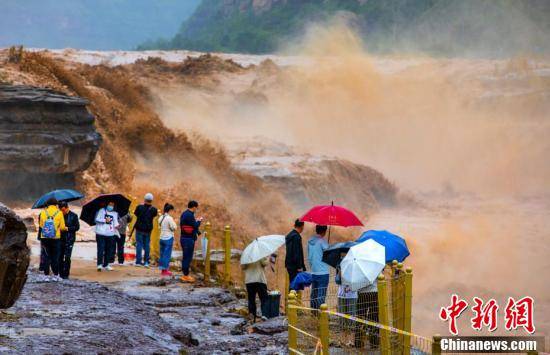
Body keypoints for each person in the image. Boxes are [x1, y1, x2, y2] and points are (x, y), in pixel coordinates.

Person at [38, 197, 66, 281]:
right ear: (56, 204)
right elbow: (62, 227)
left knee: (46, 256)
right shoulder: (59, 212)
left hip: (45, 238)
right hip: (55, 238)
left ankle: (46, 276)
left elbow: (41, 225)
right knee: (55, 257)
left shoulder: (43, 212)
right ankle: (55, 275)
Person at [179, 200, 202, 282]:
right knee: (187, 257)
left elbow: (189, 226)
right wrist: (199, 221)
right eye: (196, 208)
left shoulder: (184, 213)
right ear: (194, 207)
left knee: (186, 256)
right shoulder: (189, 215)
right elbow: (195, 225)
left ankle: (185, 274)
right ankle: (186, 275)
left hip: (184, 238)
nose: (196, 209)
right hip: (188, 239)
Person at [307, 225, 330, 309]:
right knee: (321, 295)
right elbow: (329, 253)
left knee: (314, 295)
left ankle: (313, 314)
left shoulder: (309, 241)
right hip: (323, 272)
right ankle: (321, 316)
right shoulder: (322, 241)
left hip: (313, 271)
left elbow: (309, 257)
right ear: (324, 231)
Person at [133, 193, 158, 268]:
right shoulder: (154, 209)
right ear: (152, 200)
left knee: (139, 244)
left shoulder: (139, 207)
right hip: (148, 229)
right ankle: (146, 262)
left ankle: (138, 262)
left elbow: (136, 214)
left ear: (144, 199)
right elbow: (154, 216)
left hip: (139, 228)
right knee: (147, 245)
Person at [355, 280, 380, 349]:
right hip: (374, 292)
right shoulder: (376, 269)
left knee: (360, 318)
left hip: (362, 293)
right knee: (374, 318)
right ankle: (374, 343)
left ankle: (358, 342)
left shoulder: (358, 269)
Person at [58, 201, 80, 279]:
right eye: (60, 210)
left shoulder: (74, 216)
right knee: (60, 257)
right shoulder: (58, 215)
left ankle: (66, 274)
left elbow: (77, 227)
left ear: (67, 208)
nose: (62, 212)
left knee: (67, 257)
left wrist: (68, 228)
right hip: (60, 239)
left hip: (69, 239)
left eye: (63, 210)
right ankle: (60, 273)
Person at [242, 258, 269, 322]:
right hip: (259, 279)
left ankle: (252, 315)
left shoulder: (247, 255)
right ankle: (264, 315)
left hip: (249, 280)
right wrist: (267, 258)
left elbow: (243, 267)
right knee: (264, 298)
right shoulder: (260, 254)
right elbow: (264, 263)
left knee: (251, 299)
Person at [95, 201, 119, 271]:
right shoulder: (102, 211)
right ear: (107, 204)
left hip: (110, 234)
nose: (111, 206)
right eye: (110, 204)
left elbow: (116, 223)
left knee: (108, 250)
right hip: (100, 233)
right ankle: (99, 265)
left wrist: (118, 226)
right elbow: (97, 220)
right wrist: (105, 220)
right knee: (101, 249)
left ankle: (106, 264)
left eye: (112, 205)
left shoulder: (115, 213)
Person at [336, 263, 358, 330]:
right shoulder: (340, 265)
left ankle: (351, 328)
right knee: (342, 314)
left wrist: (350, 287)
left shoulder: (355, 268)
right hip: (341, 295)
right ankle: (343, 329)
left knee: (351, 314)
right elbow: (337, 281)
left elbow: (357, 282)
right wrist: (339, 272)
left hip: (352, 295)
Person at [285, 219, 306, 288]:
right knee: (295, 286)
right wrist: (299, 266)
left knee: (292, 283)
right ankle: (291, 298)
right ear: (302, 226)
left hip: (289, 265)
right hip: (295, 266)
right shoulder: (296, 237)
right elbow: (297, 253)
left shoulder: (289, 235)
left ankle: (290, 298)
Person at [158, 203, 176, 276]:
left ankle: (162, 270)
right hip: (168, 238)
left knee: (162, 254)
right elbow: (174, 228)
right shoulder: (169, 218)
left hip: (161, 237)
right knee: (167, 255)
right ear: (170, 210)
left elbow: (159, 225)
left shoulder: (161, 217)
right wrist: (175, 223)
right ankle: (165, 270)